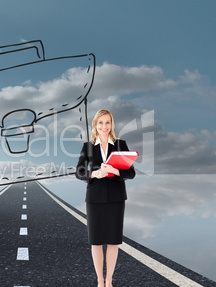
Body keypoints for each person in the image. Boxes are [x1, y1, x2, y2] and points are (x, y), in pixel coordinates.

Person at [76, 109, 136, 287]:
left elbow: (131, 172)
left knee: (112, 240)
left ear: (112, 124)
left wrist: (115, 171)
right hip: (95, 198)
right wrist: (95, 173)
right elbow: (79, 171)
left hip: (116, 198)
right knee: (96, 241)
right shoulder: (88, 146)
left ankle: (109, 281)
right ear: (95, 124)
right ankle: (99, 281)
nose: (104, 126)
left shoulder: (120, 144)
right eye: (100, 122)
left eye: (107, 122)